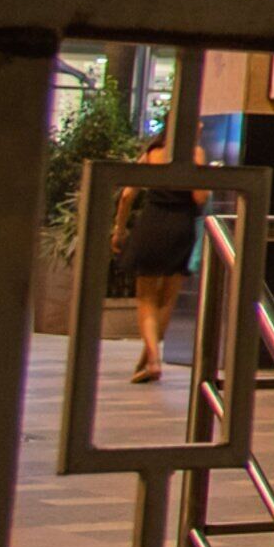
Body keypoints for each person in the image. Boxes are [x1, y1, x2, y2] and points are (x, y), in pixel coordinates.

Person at [108, 114, 198, 385]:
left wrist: (119, 229)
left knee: (145, 297)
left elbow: (127, 195)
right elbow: (201, 196)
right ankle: (148, 357)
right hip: (182, 226)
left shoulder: (152, 154)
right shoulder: (196, 154)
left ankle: (153, 361)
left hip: (153, 224)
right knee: (167, 299)